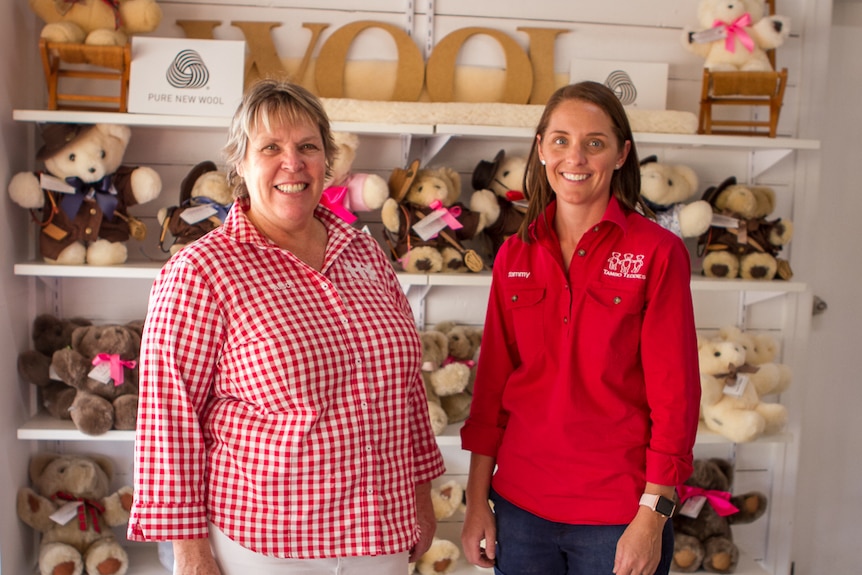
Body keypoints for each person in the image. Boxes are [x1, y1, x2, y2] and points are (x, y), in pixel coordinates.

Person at [127, 79, 445, 575]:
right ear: (240, 163)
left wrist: (421, 493)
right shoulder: (201, 271)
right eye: (271, 147)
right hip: (266, 543)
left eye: (308, 147)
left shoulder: (364, 253)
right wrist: (189, 551)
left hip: (378, 532)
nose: (292, 163)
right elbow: (168, 419)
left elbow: (404, 389)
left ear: (328, 161)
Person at [460, 81, 701, 575]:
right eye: (561, 140)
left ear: (620, 155)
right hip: (520, 509)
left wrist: (652, 517)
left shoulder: (658, 252)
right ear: (542, 148)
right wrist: (477, 502)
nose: (576, 157)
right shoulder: (514, 253)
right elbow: (491, 390)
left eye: (595, 142)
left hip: (619, 515)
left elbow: (675, 395)